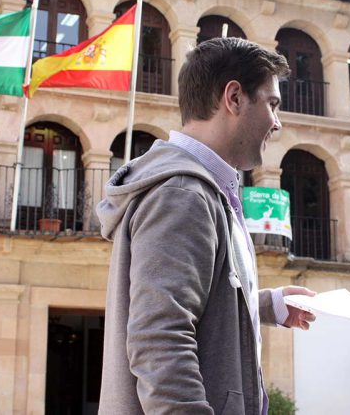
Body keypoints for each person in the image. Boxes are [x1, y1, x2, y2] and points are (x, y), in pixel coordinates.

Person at [96, 37, 316, 414]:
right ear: (233, 98)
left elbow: (191, 306)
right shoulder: (184, 194)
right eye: (272, 104)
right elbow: (160, 341)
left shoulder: (198, 189)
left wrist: (266, 305)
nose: (277, 123)